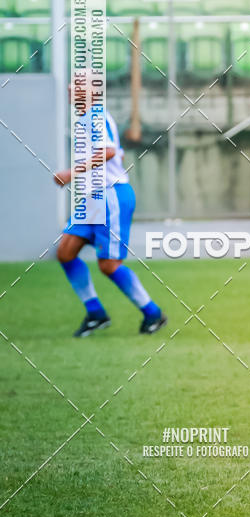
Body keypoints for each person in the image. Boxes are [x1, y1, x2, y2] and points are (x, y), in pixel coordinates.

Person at [54, 80, 167, 338]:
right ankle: (95, 313)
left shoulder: (95, 116)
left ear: (91, 92)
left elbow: (108, 150)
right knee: (65, 252)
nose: (71, 89)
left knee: (108, 264)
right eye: (71, 85)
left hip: (110, 197)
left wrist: (71, 173)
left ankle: (153, 313)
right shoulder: (87, 118)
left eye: (77, 85)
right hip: (93, 199)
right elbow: (115, 150)